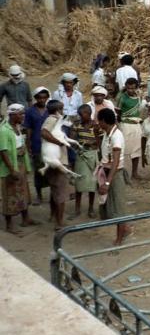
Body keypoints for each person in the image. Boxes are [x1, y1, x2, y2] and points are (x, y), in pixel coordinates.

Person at [96, 108, 132, 244]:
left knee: (118, 207)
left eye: (99, 121)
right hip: (107, 171)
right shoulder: (107, 134)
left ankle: (119, 238)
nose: (98, 123)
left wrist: (107, 183)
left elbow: (115, 162)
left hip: (114, 173)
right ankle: (125, 229)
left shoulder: (116, 136)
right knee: (108, 205)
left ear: (104, 121)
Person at [1, 104, 35, 234]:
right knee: (9, 195)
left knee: (23, 191)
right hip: (11, 166)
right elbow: (3, 152)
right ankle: (9, 225)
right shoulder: (4, 130)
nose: (23, 116)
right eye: (20, 114)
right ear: (12, 115)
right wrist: (12, 169)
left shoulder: (17, 127)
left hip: (19, 163)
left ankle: (25, 219)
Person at [41, 100, 73, 229]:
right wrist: (58, 142)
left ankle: (53, 216)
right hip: (58, 161)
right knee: (61, 192)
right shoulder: (53, 119)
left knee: (55, 190)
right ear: (57, 110)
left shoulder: (52, 120)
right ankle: (59, 222)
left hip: (51, 159)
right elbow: (44, 132)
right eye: (62, 109)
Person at [70, 104, 99, 219]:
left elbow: (98, 142)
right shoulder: (77, 125)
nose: (82, 117)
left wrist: (89, 143)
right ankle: (77, 209)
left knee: (92, 183)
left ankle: (91, 208)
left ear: (89, 113)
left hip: (92, 154)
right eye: (80, 115)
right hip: (81, 155)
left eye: (84, 115)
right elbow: (72, 139)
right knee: (79, 182)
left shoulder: (96, 126)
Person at [23, 87, 51, 204]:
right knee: (38, 170)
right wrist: (28, 144)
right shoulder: (30, 111)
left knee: (51, 170)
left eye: (44, 98)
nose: (42, 100)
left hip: (50, 144)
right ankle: (39, 195)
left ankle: (52, 195)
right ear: (35, 98)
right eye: (39, 98)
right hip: (36, 144)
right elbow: (28, 129)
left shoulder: (50, 110)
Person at [116, 78, 146, 180]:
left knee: (136, 149)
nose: (130, 90)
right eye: (128, 88)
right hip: (125, 125)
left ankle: (134, 173)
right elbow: (118, 113)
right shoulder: (122, 97)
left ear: (136, 88)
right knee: (123, 149)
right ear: (126, 87)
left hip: (136, 126)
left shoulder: (139, 97)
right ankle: (121, 173)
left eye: (133, 88)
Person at [53, 72, 84, 166]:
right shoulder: (57, 94)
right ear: (63, 83)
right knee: (62, 142)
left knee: (73, 143)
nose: (69, 84)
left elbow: (80, 109)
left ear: (74, 83)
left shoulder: (78, 94)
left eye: (71, 82)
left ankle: (73, 163)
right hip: (62, 121)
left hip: (74, 121)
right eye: (66, 82)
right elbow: (53, 107)